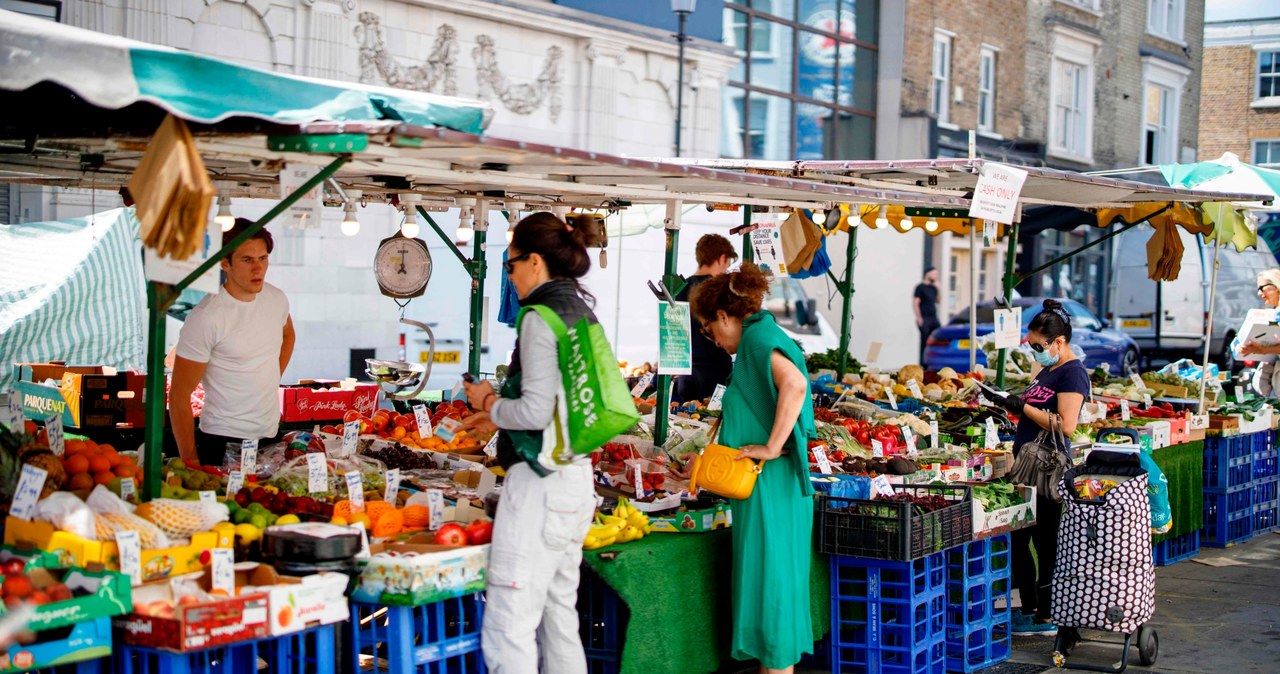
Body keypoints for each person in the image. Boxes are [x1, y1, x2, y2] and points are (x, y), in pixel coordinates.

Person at [460, 212, 601, 674]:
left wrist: (491, 401)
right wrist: (498, 417)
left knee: (510, 621)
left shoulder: (540, 317)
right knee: (559, 618)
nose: (511, 275)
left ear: (535, 262)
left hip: (540, 482)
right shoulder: (581, 311)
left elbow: (537, 412)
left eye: (511, 265)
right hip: (575, 477)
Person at [684, 263, 816, 673]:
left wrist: (773, 447)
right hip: (767, 487)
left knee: (773, 586)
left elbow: (795, 385)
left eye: (709, 329)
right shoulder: (761, 336)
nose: (714, 339)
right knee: (771, 587)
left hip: (771, 487)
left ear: (724, 316)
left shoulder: (758, 340)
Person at [989, 299, 1089, 635]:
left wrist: (1023, 408)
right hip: (1028, 467)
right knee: (1019, 538)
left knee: (1044, 542)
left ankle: (1045, 615)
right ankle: (1030, 606)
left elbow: (1067, 425)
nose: (1034, 352)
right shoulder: (1048, 369)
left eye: (1037, 346)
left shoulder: (1073, 373)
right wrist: (1009, 402)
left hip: (1048, 471)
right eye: (1030, 345)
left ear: (1058, 342)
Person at [170, 219, 295, 467]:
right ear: (225, 263)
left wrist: (270, 377)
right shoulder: (207, 316)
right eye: (247, 260)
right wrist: (190, 458)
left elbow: (288, 335)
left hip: (269, 434)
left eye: (263, 258)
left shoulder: (276, 299)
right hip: (221, 440)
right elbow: (179, 396)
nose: (258, 268)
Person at [674, 234, 738, 402]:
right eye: (728, 264)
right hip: (715, 371)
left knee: (686, 422)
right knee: (713, 422)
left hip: (686, 374)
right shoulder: (719, 290)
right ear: (722, 258)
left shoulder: (679, 288)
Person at [1234, 269, 1280, 395]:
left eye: (1262, 288)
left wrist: (1264, 350)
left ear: (1276, 286)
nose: (1259, 293)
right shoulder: (1274, 313)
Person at [913, 267, 941, 364]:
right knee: (925, 341)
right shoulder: (920, 287)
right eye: (934, 273)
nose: (936, 276)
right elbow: (916, 303)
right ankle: (923, 364)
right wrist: (919, 317)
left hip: (934, 317)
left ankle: (934, 362)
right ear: (928, 274)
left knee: (937, 338)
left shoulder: (933, 288)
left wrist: (938, 288)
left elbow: (939, 300)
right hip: (924, 318)